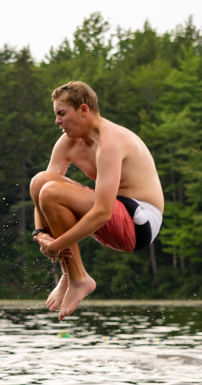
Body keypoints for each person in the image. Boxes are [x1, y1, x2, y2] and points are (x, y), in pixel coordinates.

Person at [30, 81, 164, 320]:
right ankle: (71, 274)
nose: (57, 121)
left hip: (140, 223)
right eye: (56, 115)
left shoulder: (110, 142)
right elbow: (40, 197)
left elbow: (102, 212)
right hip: (114, 212)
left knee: (51, 191)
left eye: (62, 114)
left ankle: (79, 278)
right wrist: (40, 234)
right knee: (40, 181)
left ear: (83, 110)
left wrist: (57, 244)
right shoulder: (67, 142)